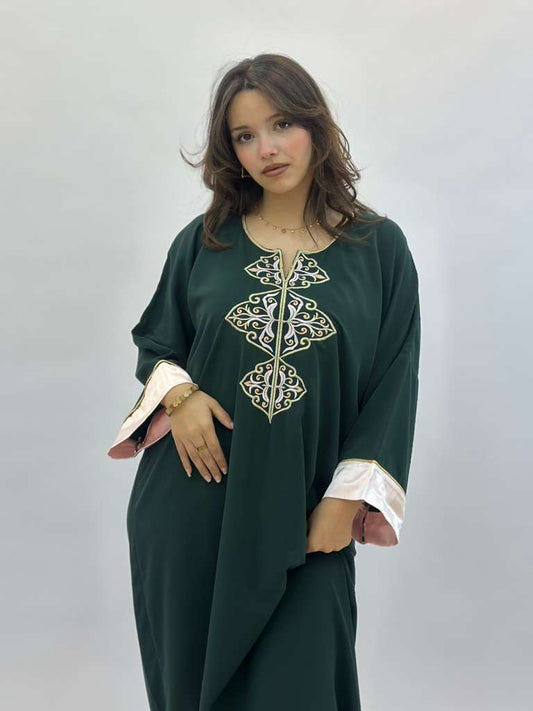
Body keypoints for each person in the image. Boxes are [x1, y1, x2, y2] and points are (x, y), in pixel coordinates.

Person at [107, 53, 421, 711]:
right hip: (192, 511)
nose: (266, 149)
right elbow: (157, 342)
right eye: (244, 136)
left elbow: (394, 380)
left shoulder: (378, 249)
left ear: (314, 124)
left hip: (307, 516)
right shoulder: (204, 242)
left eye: (281, 125)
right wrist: (181, 397)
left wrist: (345, 498)